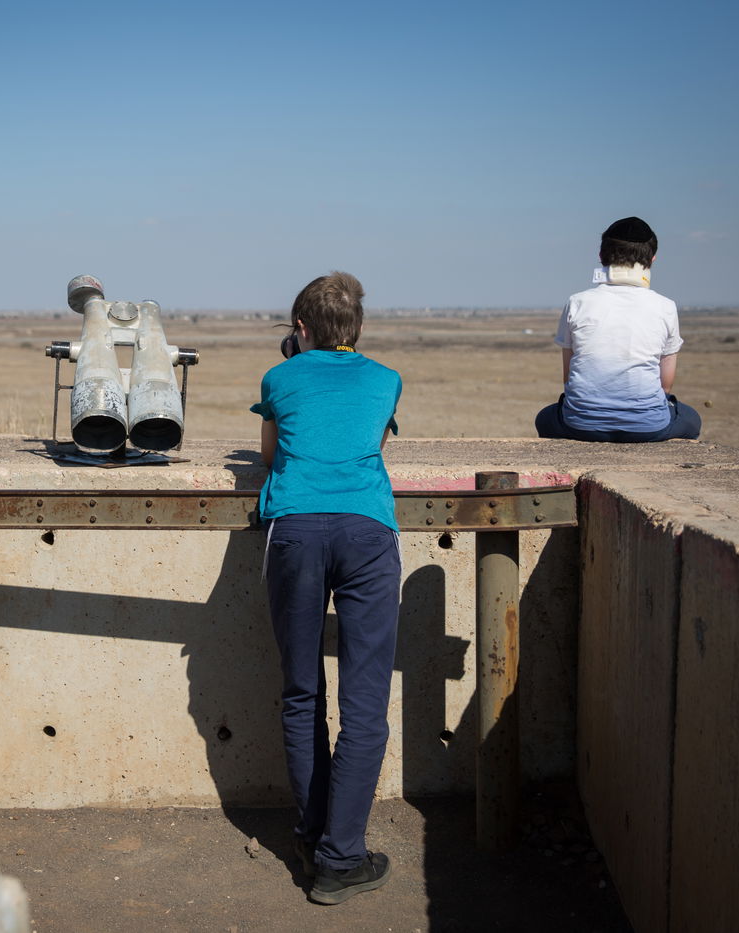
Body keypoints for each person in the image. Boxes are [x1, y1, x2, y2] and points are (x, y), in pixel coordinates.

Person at [250, 271, 402, 905]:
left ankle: (312, 838)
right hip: (368, 533)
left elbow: (267, 455)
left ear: (300, 329)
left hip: (296, 534)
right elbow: (373, 439)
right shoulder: (386, 379)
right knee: (364, 701)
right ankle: (342, 859)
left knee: (302, 691)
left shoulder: (279, 378)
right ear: (358, 329)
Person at [534, 216, 702, 442]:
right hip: (649, 427)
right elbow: (666, 385)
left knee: (544, 418)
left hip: (580, 425)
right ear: (652, 260)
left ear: (601, 256)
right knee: (692, 419)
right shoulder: (666, 306)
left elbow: (569, 376)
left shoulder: (577, 302)